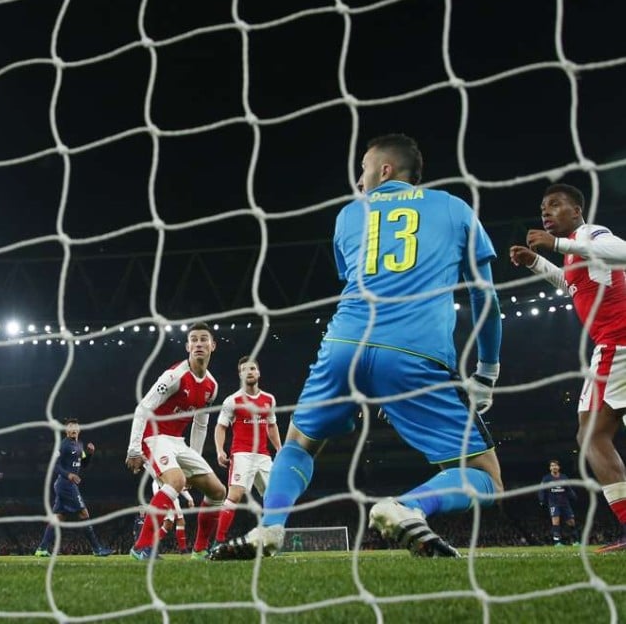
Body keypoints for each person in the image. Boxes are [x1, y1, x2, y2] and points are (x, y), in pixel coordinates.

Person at [210, 133, 503, 560]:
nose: (358, 178)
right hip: (415, 351)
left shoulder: (348, 215)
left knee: (298, 444)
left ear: (384, 170)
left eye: (363, 167)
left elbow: (357, 276)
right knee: (485, 477)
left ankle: (269, 529)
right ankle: (407, 508)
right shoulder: (455, 208)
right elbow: (485, 299)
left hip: (343, 344)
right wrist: (487, 372)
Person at [510, 183, 626, 552]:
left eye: (555, 205)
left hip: (618, 346)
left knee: (592, 436)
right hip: (615, 347)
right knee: (591, 435)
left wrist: (556, 245)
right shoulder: (577, 254)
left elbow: (623, 251)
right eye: (543, 208)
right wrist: (537, 263)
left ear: (577, 211)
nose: (546, 212)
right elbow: (572, 285)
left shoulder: (589, 234)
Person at [126, 321, 227, 560]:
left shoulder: (211, 386)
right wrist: (133, 449)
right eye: (194, 340)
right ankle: (141, 546)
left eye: (204, 339)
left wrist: (195, 460)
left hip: (177, 442)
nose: (199, 344)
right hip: (154, 436)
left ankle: (200, 550)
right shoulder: (174, 376)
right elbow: (143, 408)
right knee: (177, 480)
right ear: (187, 346)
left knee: (218, 491)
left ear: (213, 345)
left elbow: (201, 424)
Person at [213, 356, 282, 543]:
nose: (249, 372)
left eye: (252, 368)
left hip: (264, 456)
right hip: (241, 454)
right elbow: (220, 427)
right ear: (240, 374)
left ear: (258, 372)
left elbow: (272, 426)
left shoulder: (269, 399)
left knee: (275, 499)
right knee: (234, 495)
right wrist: (220, 450)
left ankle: (270, 541)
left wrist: (279, 448)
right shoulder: (232, 400)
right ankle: (218, 541)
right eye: (245, 369)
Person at [34, 418, 113, 557]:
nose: (73, 428)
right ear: (66, 430)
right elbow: (55, 465)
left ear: (79, 429)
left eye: (75, 426)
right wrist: (68, 474)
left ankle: (42, 548)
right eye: (70, 426)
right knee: (84, 513)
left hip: (67, 485)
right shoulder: (63, 445)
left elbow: (83, 464)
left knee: (58, 517)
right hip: (66, 485)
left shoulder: (79, 445)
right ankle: (97, 549)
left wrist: (89, 454)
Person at [538, 459, 577, 546]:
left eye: (555, 465)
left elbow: (568, 488)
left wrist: (573, 495)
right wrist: (541, 499)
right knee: (556, 522)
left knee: (571, 522)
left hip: (565, 503)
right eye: (552, 466)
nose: (554, 467)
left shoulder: (564, 477)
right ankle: (557, 542)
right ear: (550, 468)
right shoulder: (546, 478)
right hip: (553, 503)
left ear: (559, 467)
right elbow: (541, 490)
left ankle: (575, 541)